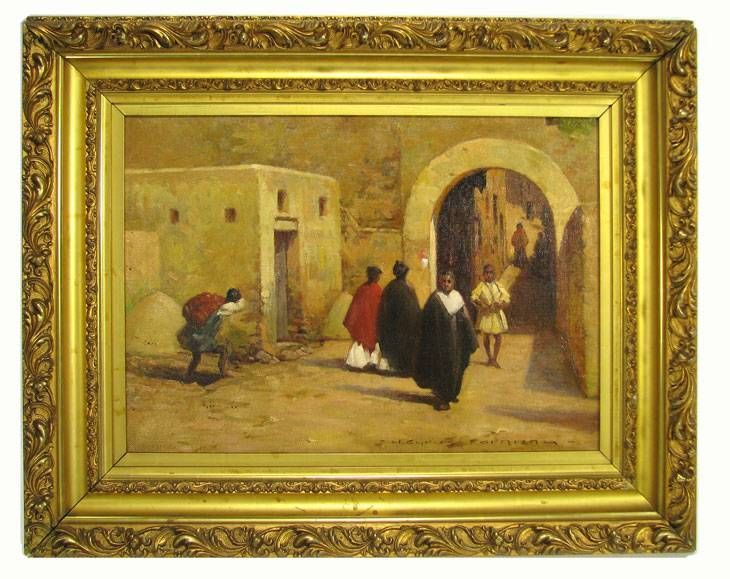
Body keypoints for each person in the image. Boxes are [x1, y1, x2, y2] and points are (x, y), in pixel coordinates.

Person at [415, 271, 478, 411]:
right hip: (441, 341)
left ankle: (452, 393)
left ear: (453, 282)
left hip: (457, 340)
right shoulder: (435, 298)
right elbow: (426, 319)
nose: (446, 284)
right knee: (443, 368)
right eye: (444, 281)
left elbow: (466, 316)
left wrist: (471, 335)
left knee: (457, 366)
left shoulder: (457, 296)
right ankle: (443, 398)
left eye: (449, 281)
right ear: (440, 282)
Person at [178, 287, 246, 382]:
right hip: (202, 339)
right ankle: (223, 372)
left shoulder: (214, 303)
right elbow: (240, 306)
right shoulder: (224, 308)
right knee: (224, 350)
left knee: (196, 357)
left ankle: (187, 375)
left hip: (191, 337)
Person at [377, 261, 421, 376]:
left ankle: (402, 367)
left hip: (404, 324)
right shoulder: (402, 287)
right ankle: (401, 367)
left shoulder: (393, 287)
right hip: (399, 325)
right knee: (400, 344)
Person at [343, 266, 383, 370]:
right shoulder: (375, 290)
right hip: (367, 323)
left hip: (367, 323)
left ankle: (364, 362)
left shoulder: (363, 289)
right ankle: (366, 362)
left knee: (364, 341)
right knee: (367, 341)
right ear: (373, 276)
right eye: (377, 275)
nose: (378, 278)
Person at [471, 264, 510, 368]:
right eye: (487, 273)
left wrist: (500, 304)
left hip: (496, 314)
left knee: (498, 336)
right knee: (486, 336)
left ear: (494, 274)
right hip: (486, 315)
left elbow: (506, 297)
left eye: (491, 272)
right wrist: (481, 304)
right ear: (484, 274)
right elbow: (473, 297)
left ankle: (495, 359)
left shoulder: (498, 285)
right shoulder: (481, 286)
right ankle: (489, 357)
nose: (489, 275)